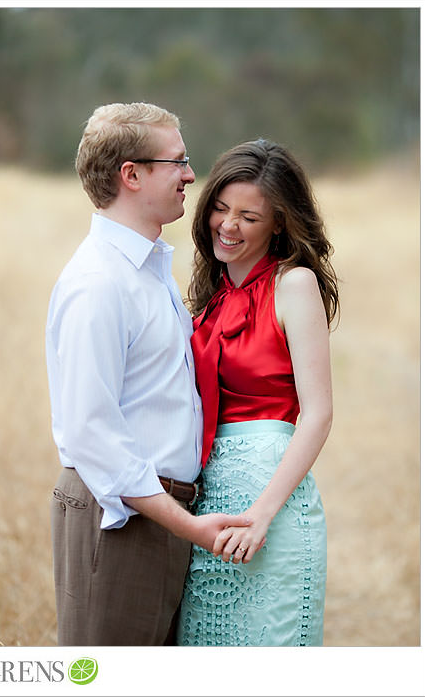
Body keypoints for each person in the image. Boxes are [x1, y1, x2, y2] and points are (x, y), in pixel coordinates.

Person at [46, 102, 253, 645]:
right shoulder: (99, 282)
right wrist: (186, 525)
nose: (190, 174)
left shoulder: (150, 269)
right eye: (177, 162)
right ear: (131, 175)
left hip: (157, 513)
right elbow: (92, 429)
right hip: (122, 518)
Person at [176, 139, 339, 646]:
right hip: (208, 508)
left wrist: (262, 515)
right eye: (221, 209)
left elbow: (318, 414)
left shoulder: (294, 284)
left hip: (271, 501)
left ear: (279, 223)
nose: (228, 226)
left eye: (248, 216)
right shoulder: (210, 298)